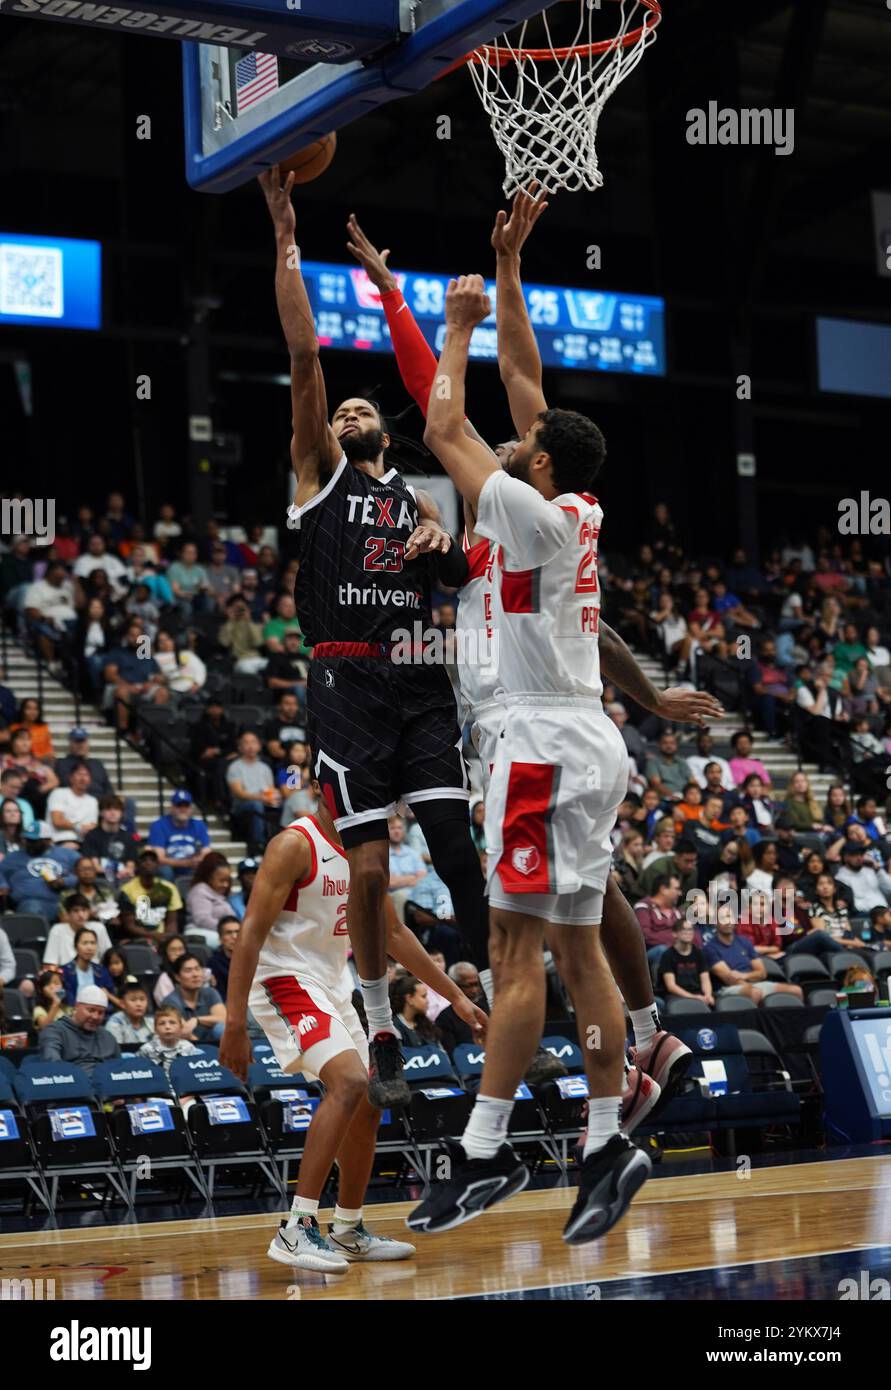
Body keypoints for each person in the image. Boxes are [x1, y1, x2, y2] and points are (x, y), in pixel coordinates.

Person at [408, 207, 650, 1242]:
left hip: (540, 744)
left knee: (515, 955)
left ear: (542, 466)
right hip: (586, 738)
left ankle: (483, 1156)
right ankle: (604, 1139)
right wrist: (510, 268)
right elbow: (527, 379)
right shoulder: (576, 505)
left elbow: (443, 427)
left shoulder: (529, 512)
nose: (515, 439)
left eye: (527, 445)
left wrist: (452, 322)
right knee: (577, 950)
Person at [261, 168, 483, 1109]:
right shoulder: (318, 477)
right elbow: (306, 358)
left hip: (421, 677)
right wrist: (285, 240)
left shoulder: (421, 497)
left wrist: (446, 549)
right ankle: (381, 1012)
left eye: (362, 410)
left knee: (452, 839)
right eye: (339, 411)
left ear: (386, 431)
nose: (348, 412)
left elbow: (463, 571)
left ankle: (502, 993)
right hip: (346, 683)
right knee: (368, 863)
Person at [218, 792, 485, 1271]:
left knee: (369, 1097)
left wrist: (459, 998)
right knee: (350, 1082)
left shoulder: (365, 848)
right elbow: (251, 933)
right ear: (326, 788)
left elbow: (395, 935)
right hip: (282, 978)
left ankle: (347, 1228)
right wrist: (234, 1022)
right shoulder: (293, 845)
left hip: (333, 984)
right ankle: (296, 1227)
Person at [704, 907, 803, 1006]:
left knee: (795, 990)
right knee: (755, 993)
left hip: (756, 984)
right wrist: (752, 985)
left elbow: (762, 973)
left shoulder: (744, 942)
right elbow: (730, 979)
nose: (728, 921)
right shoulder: (710, 948)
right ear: (715, 922)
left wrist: (744, 975)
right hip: (727, 988)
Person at [0, 820, 79, 917]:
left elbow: (85, 871)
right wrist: (3, 884)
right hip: (29, 903)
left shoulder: (67, 854)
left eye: (34, 841)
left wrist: (65, 881)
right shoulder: (14, 857)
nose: (29, 844)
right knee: (32, 908)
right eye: (27, 840)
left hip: (63, 902)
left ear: (48, 841)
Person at [39, 985, 121, 1075]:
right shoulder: (54, 1032)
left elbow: (120, 1071)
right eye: (91, 1010)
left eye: (101, 1012)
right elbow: (53, 1066)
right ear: (77, 1006)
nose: (95, 1017)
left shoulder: (108, 1037)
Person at [226, 731, 280, 854]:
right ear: (240, 747)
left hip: (263, 801)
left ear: (259, 746)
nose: (250, 746)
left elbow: (270, 789)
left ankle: (281, 842)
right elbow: (239, 793)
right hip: (242, 805)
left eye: (253, 742)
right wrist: (262, 798)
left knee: (282, 803)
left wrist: (274, 797)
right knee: (256, 805)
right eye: (246, 743)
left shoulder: (265, 768)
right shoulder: (235, 767)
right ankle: (258, 845)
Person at [117, 849, 183, 942]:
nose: (148, 863)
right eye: (144, 860)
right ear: (137, 866)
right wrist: (154, 936)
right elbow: (129, 925)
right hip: (137, 938)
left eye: (152, 860)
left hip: (162, 936)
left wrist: (169, 938)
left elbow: (172, 921)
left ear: (158, 865)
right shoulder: (127, 890)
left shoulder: (169, 888)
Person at [147, 789, 211, 879]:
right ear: (172, 807)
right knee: (165, 871)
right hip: (170, 867)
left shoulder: (199, 825)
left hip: (192, 865)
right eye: (179, 805)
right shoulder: (159, 825)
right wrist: (186, 863)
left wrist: (197, 860)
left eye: (186, 806)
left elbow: (207, 852)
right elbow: (159, 858)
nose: (183, 809)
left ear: (191, 808)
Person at [80, 794, 140, 886]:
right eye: (108, 809)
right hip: (101, 878)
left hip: (124, 878)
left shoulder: (128, 837)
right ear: (101, 813)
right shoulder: (92, 835)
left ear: (122, 813)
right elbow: (95, 866)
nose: (113, 813)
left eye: (116, 809)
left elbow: (130, 866)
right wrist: (114, 872)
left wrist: (125, 871)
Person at [165, 953, 227, 1042]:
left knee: (221, 1028)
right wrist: (204, 1050)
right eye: (188, 970)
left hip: (215, 1044)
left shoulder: (210, 992)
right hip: (188, 1046)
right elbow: (184, 1032)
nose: (195, 974)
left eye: (197, 969)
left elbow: (223, 1019)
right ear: (177, 977)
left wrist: (197, 1020)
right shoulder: (170, 1002)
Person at [42, 894, 113, 966]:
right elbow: (50, 963)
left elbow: (109, 958)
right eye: (76, 911)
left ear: (89, 912)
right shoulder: (57, 930)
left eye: (84, 910)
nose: (81, 915)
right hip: (65, 974)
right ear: (68, 914)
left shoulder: (99, 928)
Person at [435, 962, 490, 1054]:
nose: (474, 990)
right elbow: (452, 1054)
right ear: (454, 985)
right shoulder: (444, 1018)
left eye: (476, 984)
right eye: (468, 986)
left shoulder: (487, 1008)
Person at [60, 926, 119, 1011]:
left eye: (93, 943)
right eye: (85, 943)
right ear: (76, 946)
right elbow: (65, 1001)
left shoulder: (102, 971)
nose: (89, 948)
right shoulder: (64, 972)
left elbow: (110, 1001)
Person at [657, 920, 714, 1008]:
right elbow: (671, 986)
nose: (688, 933)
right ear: (674, 933)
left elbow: (705, 979)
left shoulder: (699, 953)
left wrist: (708, 995)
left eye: (690, 929)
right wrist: (694, 997)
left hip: (698, 993)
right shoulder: (667, 955)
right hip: (676, 996)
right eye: (684, 929)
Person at [138, 1003, 201, 1077]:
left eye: (172, 1023)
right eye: (162, 1023)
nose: (167, 1027)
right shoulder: (146, 1049)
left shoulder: (189, 1047)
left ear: (181, 1027)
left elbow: (196, 1074)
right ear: (155, 1029)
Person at [45, 760, 99, 847]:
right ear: (71, 778)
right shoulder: (59, 793)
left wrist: (88, 828)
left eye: (86, 775)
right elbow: (57, 821)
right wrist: (78, 827)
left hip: (83, 842)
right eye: (79, 774)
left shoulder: (93, 801)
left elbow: (93, 825)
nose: (83, 778)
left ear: (90, 780)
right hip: (58, 840)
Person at [186, 853, 235, 944]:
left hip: (221, 932)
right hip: (199, 931)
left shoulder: (219, 894)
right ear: (209, 878)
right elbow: (202, 920)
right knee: (233, 942)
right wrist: (226, 928)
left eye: (227, 881)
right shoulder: (200, 891)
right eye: (221, 881)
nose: (226, 885)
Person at [54, 728, 114, 800]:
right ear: (70, 743)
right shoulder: (62, 763)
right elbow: (66, 784)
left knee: (127, 802)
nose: (80, 745)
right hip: (76, 800)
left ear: (87, 743)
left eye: (83, 741)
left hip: (102, 803)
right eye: (77, 742)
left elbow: (108, 788)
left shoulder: (97, 763)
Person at [835, 841, 891, 914]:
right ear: (845, 857)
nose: (859, 858)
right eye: (855, 855)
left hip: (884, 910)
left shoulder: (871, 870)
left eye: (861, 854)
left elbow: (889, 888)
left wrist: (877, 869)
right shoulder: (840, 878)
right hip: (863, 915)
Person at [389, 973, 440, 1048]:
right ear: (409, 999)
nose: (427, 1001)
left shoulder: (426, 1024)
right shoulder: (393, 1027)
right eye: (423, 996)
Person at [106, 982, 155, 1047]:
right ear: (122, 1004)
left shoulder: (152, 1023)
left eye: (142, 999)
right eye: (133, 1000)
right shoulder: (115, 1023)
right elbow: (115, 1052)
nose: (139, 1004)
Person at [207, 917, 241, 1001]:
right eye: (228, 933)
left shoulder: (255, 959)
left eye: (238, 932)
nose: (234, 936)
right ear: (220, 939)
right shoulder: (213, 963)